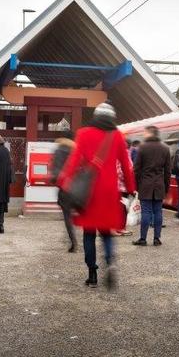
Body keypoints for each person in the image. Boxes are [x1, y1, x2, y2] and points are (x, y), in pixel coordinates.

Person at [58, 102, 136, 289]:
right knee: (106, 232)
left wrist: (65, 182)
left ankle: (92, 273)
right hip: (109, 191)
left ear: (96, 116)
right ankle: (110, 262)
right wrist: (131, 188)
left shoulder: (84, 133)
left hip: (88, 192)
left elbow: (74, 160)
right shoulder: (116, 135)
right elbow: (126, 165)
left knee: (89, 233)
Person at [133, 125, 171, 246]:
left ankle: (143, 239)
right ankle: (157, 238)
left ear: (149, 133)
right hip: (159, 185)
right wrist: (166, 187)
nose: (144, 135)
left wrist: (138, 185)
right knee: (158, 212)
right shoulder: (165, 148)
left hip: (145, 184)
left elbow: (136, 169)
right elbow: (168, 171)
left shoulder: (142, 148)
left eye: (145, 133)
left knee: (146, 212)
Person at [49, 137, 77, 252]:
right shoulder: (76, 150)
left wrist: (53, 180)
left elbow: (55, 171)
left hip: (65, 188)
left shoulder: (59, 151)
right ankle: (87, 238)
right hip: (79, 187)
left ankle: (73, 241)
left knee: (67, 216)